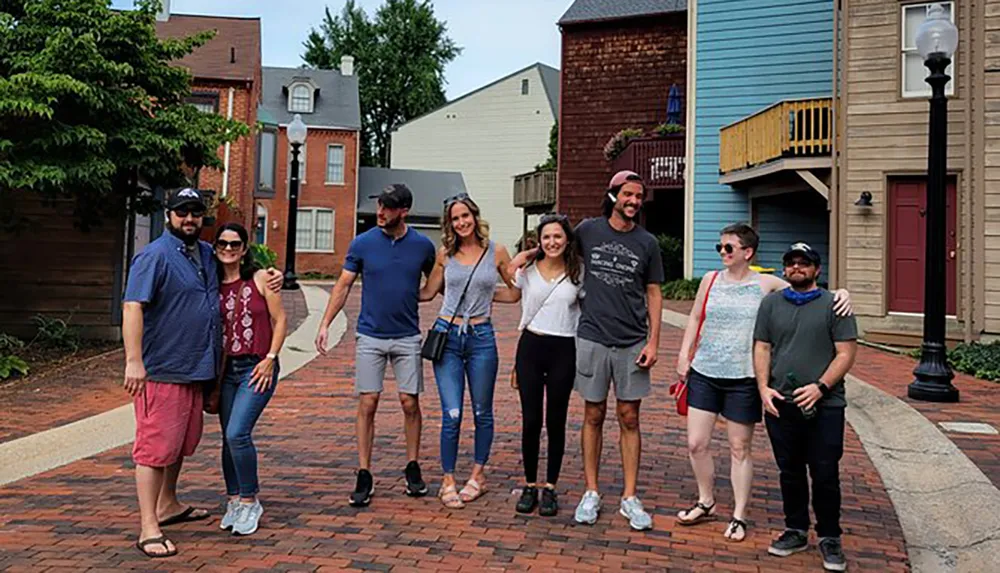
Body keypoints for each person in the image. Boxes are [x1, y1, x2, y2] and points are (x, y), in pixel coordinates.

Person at [122, 188, 281, 558]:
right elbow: (133, 307)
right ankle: (148, 526)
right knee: (154, 448)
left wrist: (268, 273)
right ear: (168, 214)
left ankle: (168, 504)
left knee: (179, 444)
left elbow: (236, 259)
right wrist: (134, 360)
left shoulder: (204, 253)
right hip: (163, 369)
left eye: (195, 212)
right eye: (182, 212)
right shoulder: (154, 256)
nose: (189, 219)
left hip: (197, 371)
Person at [674, 224, 853, 542]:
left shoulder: (766, 283)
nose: (723, 253)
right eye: (720, 248)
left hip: (742, 378)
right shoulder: (710, 280)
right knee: (696, 443)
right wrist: (684, 355)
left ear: (748, 252)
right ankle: (706, 500)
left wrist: (841, 293)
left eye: (729, 248)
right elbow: (695, 318)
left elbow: (805, 289)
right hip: (705, 371)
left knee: (739, 447)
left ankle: (739, 514)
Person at [511, 171, 664, 530]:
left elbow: (654, 292)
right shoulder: (588, 231)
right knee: (592, 415)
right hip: (592, 337)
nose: (634, 201)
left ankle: (629, 496)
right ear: (613, 196)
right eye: (628, 194)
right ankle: (591, 491)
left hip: (632, 340)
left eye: (639, 196)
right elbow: (556, 243)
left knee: (629, 416)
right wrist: (530, 253)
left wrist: (654, 341)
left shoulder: (648, 243)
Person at [314, 184, 437, 507]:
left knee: (409, 402)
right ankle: (364, 472)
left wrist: (421, 295)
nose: (381, 211)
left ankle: (412, 466)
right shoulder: (363, 243)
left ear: (404, 210)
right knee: (368, 402)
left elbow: (434, 282)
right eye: (380, 204)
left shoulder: (422, 246)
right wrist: (325, 324)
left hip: (407, 335)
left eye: (389, 207)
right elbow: (343, 285)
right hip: (370, 336)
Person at [753, 242, 857, 572]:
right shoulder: (771, 305)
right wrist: (763, 388)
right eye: (791, 263)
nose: (797, 267)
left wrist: (820, 387)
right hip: (782, 403)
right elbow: (762, 346)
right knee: (790, 470)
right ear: (784, 269)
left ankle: (830, 537)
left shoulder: (834, 305)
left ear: (817, 269)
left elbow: (846, 353)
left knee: (825, 472)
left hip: (825, 405)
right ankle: (796, 529)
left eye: (804, 262)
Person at [419, 192, 516, 509]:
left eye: (465, 216)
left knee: (482, 411)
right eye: (455, 218)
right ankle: (447, 480)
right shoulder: (445, 254)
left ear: (475, 217)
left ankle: (477, 476)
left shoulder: (496, 251)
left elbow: (514, 293)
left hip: (481, 337)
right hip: (447, 336)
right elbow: (429, 292)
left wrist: (487, 299)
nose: (461, 222)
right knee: (452, 413)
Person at [494, 214, 583, 516]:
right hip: (531, 346)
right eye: (546, 237)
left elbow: (586, 311)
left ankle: (551, 488)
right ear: (539, 241)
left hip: (564, 348)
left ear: (567, 239)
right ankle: (530, 484)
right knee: (531, 421)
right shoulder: (528, 272)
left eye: (558, 236)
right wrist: (526, 255)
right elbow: (507, 272)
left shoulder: (577, 273)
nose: (553, 242)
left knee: (556, 422)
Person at [212, 223, 287, 536]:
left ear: (244, 248)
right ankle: (234, 500)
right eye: (223, 244)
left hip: (257, 366)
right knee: (228, 438)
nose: (228, 249)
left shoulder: (261, 278)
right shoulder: (211, 282)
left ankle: (250, 499)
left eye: (235, 244)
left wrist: (270, 358)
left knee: (238, 432)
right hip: (226, 370)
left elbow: (279, 319)